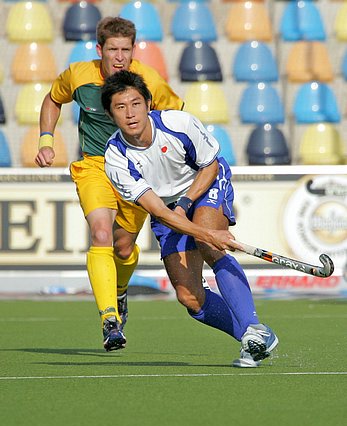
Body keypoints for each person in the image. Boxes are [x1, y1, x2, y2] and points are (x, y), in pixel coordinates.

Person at [101, 70, 279, 368]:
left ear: (148, 103)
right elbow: (157, 211)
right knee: (190, 297)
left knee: (208, 244)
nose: (130, 114)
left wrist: (189, 210)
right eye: (120, 107)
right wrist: (191, 221)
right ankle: (256, 341)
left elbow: (209, 165)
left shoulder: (177, 123)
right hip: (166, 209)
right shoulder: (116, 157)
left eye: (135, 104)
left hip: (205, 183)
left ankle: (254, 327)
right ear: (110, 115)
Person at [34, 17, 184, 352]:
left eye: (126, 50)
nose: (119, 57)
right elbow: (52, 99)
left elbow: (176, 119)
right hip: (95, 166)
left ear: (133, 50)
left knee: (123, 248)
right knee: (100, 232)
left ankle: (119, 291)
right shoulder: (78, 74)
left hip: (135, 170)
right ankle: (109, 320)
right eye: (112, 49)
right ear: (99, 49)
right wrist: (46, 140)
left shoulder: (149, 80)